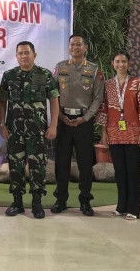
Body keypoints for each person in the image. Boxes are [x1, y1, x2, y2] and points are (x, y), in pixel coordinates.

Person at [0, 41, 59, 219]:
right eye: (20, 53)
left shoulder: (45, 75)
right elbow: (2, 103)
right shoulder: (9, 76)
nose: (24, 56)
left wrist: (54, 125)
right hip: (14, 131)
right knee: (15, 166)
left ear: (34, 54)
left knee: (37, 167)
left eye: (27, 53)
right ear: (16, 56)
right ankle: (17, 202)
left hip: (37, 131)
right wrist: (1, 124)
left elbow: (54, 102)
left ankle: (37, 203)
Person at [97, 50, 140, 220]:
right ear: (112, 64)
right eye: (117, 61)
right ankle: (121, 206)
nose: (120, 65)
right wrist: (104, 132)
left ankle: (134, 209)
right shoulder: (107, 85)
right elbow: (104, 109)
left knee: (132, 171)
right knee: (119, 171)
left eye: (123, 61)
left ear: (129, 64)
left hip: (134, 132)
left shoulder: (138, 83)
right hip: (113, 133)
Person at [51, 35, 104, 216]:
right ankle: (60, 200)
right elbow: (53, 94)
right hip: (63, 122)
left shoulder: (94, 69)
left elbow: (98, 97)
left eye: (79, 44)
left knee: (85, 163)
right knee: (62, 163)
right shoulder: (60, 67)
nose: (75, 47)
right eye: (72, 44)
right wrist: (59, 117)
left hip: (83, 123)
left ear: (86, 47)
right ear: (68, 47)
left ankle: (85, 201)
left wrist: (86, 117)